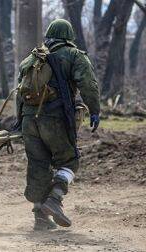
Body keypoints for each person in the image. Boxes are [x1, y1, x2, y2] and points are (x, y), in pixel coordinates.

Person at [16, 19, 100, 230]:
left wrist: (19, 121)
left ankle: (40, 217)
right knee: (69, 160)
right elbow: (88, 85)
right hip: (55, 119)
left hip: (29, 120)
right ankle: (54, 200)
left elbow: (20, 91)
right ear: (69, 36)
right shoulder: (73, 55)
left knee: (38, 165)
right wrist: (95, 110)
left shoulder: (33, 57)